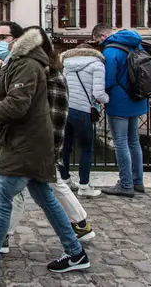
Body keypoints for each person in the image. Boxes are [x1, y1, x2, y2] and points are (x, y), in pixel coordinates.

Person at [0, 22, 89, 280]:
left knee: (1, 199)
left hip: (25, 145)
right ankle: (75, 253)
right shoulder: (26, 62)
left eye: (1, 37)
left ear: (17, 39)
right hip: (32, 143)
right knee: (46, 200)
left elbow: (17, 105)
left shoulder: (26, 64)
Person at [92, 24, 148, 197]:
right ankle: (138, 181)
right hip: (137, 98)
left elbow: (107, 80)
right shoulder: (137, 44)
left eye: (98, 41)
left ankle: (125, 184)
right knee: (134, 141)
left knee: (120, 142)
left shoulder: (111, 50)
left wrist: (100, 96)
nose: (100, 44)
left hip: (118, 101)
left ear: (102, 35)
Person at [60, 43, 109, 197]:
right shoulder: (97, 65)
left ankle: (65, 179)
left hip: (66, 109)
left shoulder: (66, 64)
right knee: (87, 148)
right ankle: (84, 186)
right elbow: (99, 93)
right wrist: (108, 99)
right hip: (82, 110)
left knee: (65, 147)